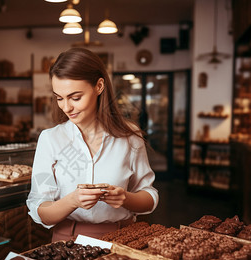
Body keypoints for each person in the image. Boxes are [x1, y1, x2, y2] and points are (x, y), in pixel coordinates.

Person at [26, 48, 158, 242]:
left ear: (99, 86)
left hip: (123, 239)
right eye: (59, 98)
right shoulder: (50, 139)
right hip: (67, 241)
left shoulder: (130, 136)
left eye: (75, 97)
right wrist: (72, 200)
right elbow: (41, 210)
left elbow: (149, 196)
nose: (66, 107)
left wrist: (125, 198)